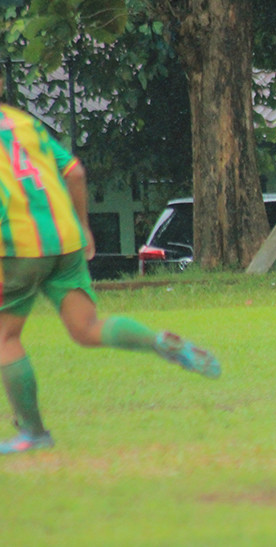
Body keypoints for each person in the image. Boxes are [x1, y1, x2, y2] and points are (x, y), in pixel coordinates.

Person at [0, 99, 220, 455]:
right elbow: (75, 173)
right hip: (66, 239)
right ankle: (157, 342)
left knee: (5, 337)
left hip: (17, 245)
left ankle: (34, 432)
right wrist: (85, 227)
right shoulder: (25, 124)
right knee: (87, 329)